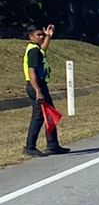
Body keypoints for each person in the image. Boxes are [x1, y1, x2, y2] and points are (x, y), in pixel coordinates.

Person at [23, 25, 69, 157]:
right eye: (39, 35)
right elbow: (32, 71)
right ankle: (30, 147)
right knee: (38, 117)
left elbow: (43, 50)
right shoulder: (33, 51)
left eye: (42, 34)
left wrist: (49, 36)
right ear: (31, 37)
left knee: (50, 115)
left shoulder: (36, 49)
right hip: (36, 86)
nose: (42, 37)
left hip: (41, 85)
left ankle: (53, 145)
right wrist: (38, 90)